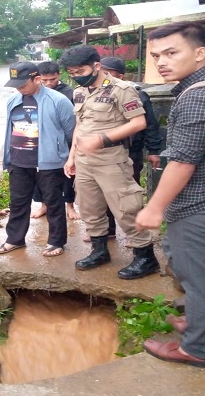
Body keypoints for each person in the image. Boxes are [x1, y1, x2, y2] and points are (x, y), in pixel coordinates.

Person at [137, 22, 205, 368]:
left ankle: (195, 348)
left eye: (171, 53)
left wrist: (155, 207)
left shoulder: (198, 95)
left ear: (200, 53)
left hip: (203, 202)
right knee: (195, 268)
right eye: (156, 55)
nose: (161, 62)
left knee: (198, 277)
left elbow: (183, 161)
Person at [60, 45, 158, 279]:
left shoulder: (121, 89)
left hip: (111, 160)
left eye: (80, 71)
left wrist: (102, 139)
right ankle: (99, 251)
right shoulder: (79, 92)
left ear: (96, 66)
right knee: (90, 209)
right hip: (84, 162)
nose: (76, 76)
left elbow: (138, 123)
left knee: (126, 208)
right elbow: (80, 126)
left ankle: (146, 257)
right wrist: (71, 156)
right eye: (72, 73)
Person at [0, 62, 75, 257]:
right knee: (18, 202)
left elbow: (71, 132)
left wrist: (59, 153)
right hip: (19, 160)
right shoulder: (13, 101)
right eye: (16, 85)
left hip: (48, 162)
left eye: (23, 84)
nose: (19, 88)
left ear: (37, 79)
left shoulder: (58, 100)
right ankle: (14, 239)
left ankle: (56, 242)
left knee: (54, 202)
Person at [29, 61, 79, 221]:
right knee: (39, 175)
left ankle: (70, 205)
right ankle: (43, 205)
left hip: (65, 141)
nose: (49, 83)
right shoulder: (33, 93)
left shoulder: (69, 93)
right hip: (40, 141)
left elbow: (73, 123)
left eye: (53, 79)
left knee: (68, 176)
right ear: (38, 78)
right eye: (45, 80)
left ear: (60, 75)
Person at [99, 57, 163, 181]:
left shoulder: (135, 94)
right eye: (100, 72)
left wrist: (153, 151)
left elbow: (150, 124)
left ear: (120, 76)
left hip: (129, 151)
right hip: (102, 152)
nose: (102, 76)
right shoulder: (93, 94)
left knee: (129, 185)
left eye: (107, 73)